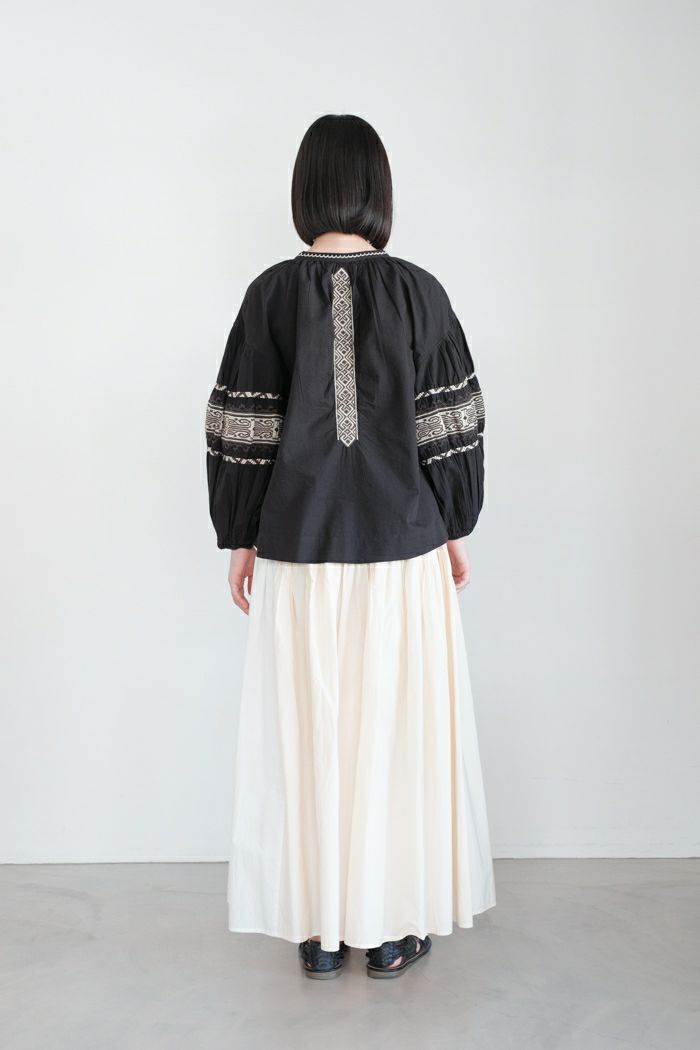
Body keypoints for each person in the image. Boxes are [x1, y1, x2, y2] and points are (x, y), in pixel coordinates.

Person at [205, 113, 496, 980]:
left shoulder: (269, 294)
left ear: (305, 189)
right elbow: (451, 421)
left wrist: (240, 535)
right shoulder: (419, 291)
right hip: (403, 549)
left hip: (298, 551)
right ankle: (393, 927)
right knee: (396, 735)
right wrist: (454, 523)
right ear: (378, 190)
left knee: (312, 737)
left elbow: (243, 423)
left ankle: (322, 932)